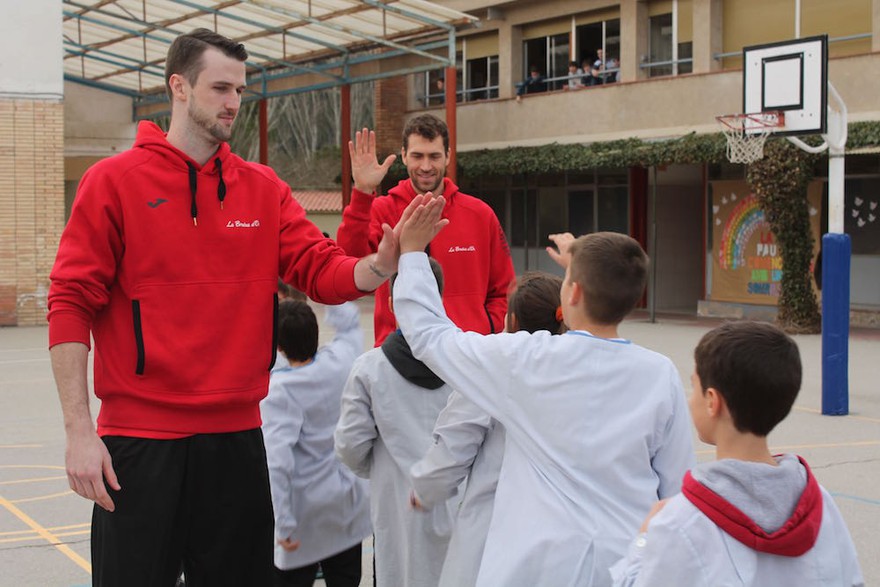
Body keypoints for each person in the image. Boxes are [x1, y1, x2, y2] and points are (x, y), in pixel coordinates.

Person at [46, 28, 434, 587]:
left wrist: (379, 264)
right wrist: (80, 432)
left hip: (236, 441)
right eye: (220, 88)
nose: (233, 102)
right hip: (139, 441)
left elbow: (321, 270)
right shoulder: (112, 182)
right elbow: (69, 304)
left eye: (240, 90)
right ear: (178, 87)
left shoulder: (262, 187)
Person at [391, 210, 695, 587]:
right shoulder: (659, 374)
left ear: (574, 291)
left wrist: (413, 253)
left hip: (538, 566)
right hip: (625, 563)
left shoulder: (527, 361)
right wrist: (586, 268)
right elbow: (676, 491)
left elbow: (431, 338)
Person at [610, 321, 864, 587]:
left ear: (712, 401)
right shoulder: (821, 504)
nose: (689, 399)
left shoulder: (680, 520)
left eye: (693, 387)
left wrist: (644, 537)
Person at [410, 272, 565, 587]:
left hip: (496, 525)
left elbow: (456, 440)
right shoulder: (579, 366)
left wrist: (427, 488)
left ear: (511, 320)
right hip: (564, 531)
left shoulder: (497, 365)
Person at [335, 113, 515, 345]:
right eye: (417, 156)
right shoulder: (382, 210)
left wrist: (483, 328)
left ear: (448, 156)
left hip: (465, 355)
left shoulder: (481, 215)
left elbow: (504, 289)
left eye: (434, 156)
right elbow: (348, 265)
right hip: (398, 358)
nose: (426, 166)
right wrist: (361, 191)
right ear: (403, 155)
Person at [335, 258, 457, 587]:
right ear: (439, 298)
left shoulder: (369, 369)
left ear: (390, 303)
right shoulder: (468, 360)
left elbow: (350, 447)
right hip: (460, 507)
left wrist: (380, 466)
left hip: (396, 507)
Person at [262, 300, 371, 587]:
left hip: (306, 510)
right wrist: (321, 287)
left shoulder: (280, 390)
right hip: (347, 501)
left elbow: (277, 463)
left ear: (280, 349)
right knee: (346, 578)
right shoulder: (340, 361)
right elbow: (349, 322)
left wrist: (283, 522)